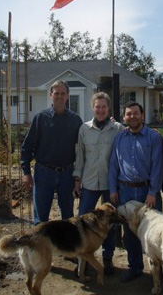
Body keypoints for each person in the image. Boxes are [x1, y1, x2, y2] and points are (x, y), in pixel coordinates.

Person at [108, 101, 163, 283]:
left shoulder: (153, 138)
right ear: (124, 117)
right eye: (129, 114)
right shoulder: (119, 139)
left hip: (147, 191)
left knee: (155, 231)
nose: (132, 117)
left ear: (142, 115)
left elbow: (157, 166)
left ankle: (161, 268)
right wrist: (113, 189)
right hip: (124, 192)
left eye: (135, 113)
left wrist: (153, 191)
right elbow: (113, 166)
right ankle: (135, 267)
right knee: (130, 232)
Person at [73, 92, 124, 275]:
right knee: (83, 222)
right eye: (97, 106)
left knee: (108, 223)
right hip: (89, 182)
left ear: (108, 108)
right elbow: (80, 157)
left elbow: (135, 134)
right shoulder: (84, 129)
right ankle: (82, 261)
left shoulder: (118, 128)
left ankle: (108, 258)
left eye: (104, 107)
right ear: (92, 108)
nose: (100, 110)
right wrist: (77, 179)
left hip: (110, 184)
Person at [21, 80, 83, 225]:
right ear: (51, 95)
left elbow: (83, 148)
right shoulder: (41, 118)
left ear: (68, 96)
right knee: (41, 219)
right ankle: (40, 247)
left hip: (67, 173)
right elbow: (27, 147)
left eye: (63, 93)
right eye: (56, 93)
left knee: (68, 219)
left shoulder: (75, 120)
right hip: (44, 173)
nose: (59, 96)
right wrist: (26, 172)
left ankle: (65, 246)